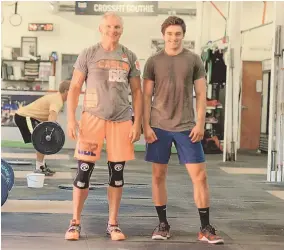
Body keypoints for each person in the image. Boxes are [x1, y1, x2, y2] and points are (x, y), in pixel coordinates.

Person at [142, 16, 224, 244]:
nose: (173, 38)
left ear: (183, 35)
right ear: (163, 35)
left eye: (177, 34)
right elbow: (146, 96)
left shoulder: (194, 59)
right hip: (158, 127)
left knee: (200, 177)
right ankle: (162, 224)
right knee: (158, 175)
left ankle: (205, 228)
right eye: (169, 34)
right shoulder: (153, 61)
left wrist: (200, 124)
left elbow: (200, 95)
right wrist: (145, 126)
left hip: (187, 127)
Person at [65, 12, 142, 241]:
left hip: (120, 120)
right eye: (109, 26)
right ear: (101, 28)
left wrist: (137, 122)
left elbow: (137, 92)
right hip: (92, 120)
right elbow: (75, 87)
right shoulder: (89, 53)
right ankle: (75, 223)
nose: (113, 30)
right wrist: (71, 118)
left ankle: (113, 224)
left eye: (117, 27)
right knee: (83, 172)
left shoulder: (129, 56)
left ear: (122, 29)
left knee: (117, 174)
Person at [14, 80, 70, 176]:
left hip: (28, 117)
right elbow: (52, 116)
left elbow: (50, 118)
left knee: (42, 140)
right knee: (41, 141)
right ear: (66, 91)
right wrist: (50, 132)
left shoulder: (56, 97)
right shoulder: (58, 100)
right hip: (24, 117)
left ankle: (41, 165)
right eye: (72, 91)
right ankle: (39, 167)